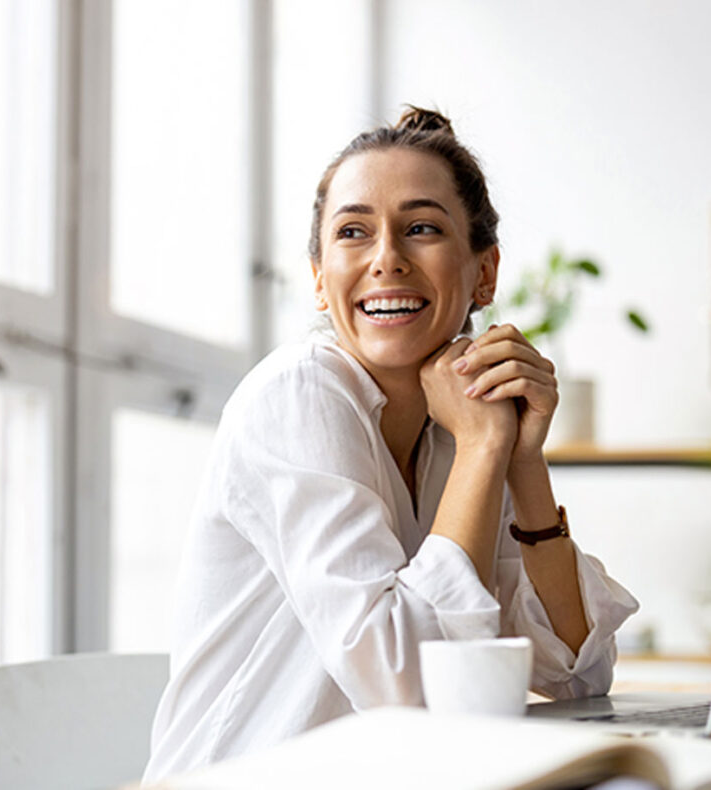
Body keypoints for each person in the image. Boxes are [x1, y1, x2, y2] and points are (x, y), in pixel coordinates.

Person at [142, 107, 638, 782]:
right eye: (353, 232)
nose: (386, 259)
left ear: (484, 273)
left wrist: (521, 460)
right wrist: (485, 451)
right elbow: (405, 687)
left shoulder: (456, 428)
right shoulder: (299, 395)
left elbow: (578, 673)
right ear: (319, 277)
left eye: (423, 228)